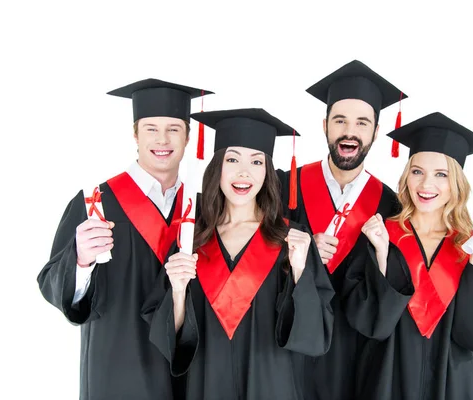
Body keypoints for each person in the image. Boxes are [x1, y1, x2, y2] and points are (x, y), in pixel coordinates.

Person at [350, 112, 473, 400]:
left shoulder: (470, 245)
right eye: (417, 171)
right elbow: (367, 322)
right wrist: (381, 254)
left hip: (452, 383)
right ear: (406, 177)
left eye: (440, 174)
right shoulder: (380, 235)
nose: (425, 184)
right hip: (386, 378)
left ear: (455, 182)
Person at [37, 78, 212, 400]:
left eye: (174, 128)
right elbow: (51, 284)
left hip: (187, 362)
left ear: (189, 136)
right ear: (135, 134)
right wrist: (80, 260)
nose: (162, 139)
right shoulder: (95, 202)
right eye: (151, 128)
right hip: (118, 360)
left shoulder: (203, 208)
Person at [144, 108, 335, 400]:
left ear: (267, 173)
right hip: (207, 386)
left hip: (272, 388)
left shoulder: (292, 241)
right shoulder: (191, 241)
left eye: (256, 161)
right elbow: (170, 343)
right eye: (232, 159)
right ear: (217, 167)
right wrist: (179, 292)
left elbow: (316, 337)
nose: (244, 172)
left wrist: (299, 273)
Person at [276, 59, 410, 400]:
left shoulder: (390, 206)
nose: (350, 131)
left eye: (362, 122)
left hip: (353, 363)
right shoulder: (284, 186)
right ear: (325, 125)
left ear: (376, 131)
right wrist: (291, 253)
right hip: (284, 349)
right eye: (340, 120)